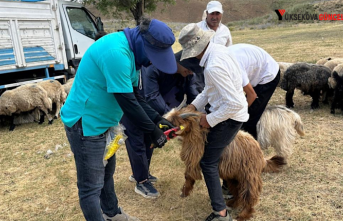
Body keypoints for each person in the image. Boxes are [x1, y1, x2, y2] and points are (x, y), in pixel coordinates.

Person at [60, 17, 176, 221]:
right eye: (153, 56)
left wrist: (159, 119)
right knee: (91, 186)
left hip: (104, 123)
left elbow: (135, 95)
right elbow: (127, 101)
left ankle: (112, 214)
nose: (151, 63)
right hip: (86, 124)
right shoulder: (116, 53)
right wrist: (152, 130)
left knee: (106, 173)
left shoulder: (131, 53)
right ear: (142, 41)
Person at [178, 23, 249, 221]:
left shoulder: (213, 66)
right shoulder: (218, 52)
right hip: (229, 113)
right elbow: (209, 91)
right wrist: (193, 106)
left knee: (208, 162)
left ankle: (220, 213)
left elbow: (232, 104)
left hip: (230, 117)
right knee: (212, 157)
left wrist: (209, 119)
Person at [121, 50, 201, 199]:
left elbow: (193, 95)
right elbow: (151, 96)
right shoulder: (155, 68)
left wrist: (197, 112)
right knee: (136, 142)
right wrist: (170, 119)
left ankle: (141, 172)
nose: (190, 72)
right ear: (178, 62)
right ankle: (141, 182)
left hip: (154, 112)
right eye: (188, 69)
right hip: (135, 106)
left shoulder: (188, 74)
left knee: (149, 141)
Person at [229, 43, 280, 139]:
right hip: (255, 68)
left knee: (249, 116)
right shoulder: (219, 60)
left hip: (268, 75)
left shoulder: (233, 67)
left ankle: (251, 149)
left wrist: (239, 112)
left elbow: (252, 95)